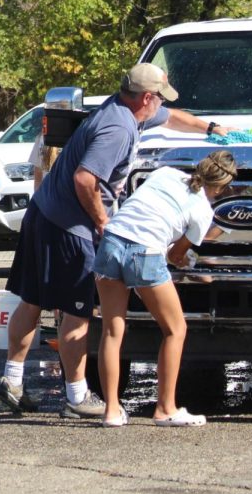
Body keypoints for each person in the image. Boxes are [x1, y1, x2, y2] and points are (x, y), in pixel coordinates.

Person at [0, 63, 233, 418]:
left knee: (33, 298)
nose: (160, 107)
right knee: (76, 312)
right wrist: (103, 221)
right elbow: (85, 179)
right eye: (158, 99)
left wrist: (211, 128)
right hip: (70, 226)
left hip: (43, 214)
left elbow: (170, 118)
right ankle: (76, 397)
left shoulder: (120, 107)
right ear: (146, 98)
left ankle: (11, 378)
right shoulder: (118, 128)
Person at [94, 150, 237, 427]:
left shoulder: (165, 173)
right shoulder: (203, 211)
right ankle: (165, 408)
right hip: (145, 252)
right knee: (175, 329)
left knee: (112, 330)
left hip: (111, 243)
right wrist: (187, 260)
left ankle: (111, 410)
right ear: (221, 186)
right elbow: (175, 256)